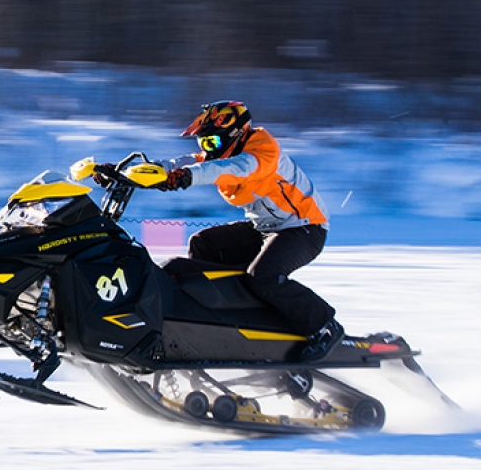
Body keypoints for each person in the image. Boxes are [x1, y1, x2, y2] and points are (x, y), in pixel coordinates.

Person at [102, 101, 343, 363]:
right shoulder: (222, 155)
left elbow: (233, 169)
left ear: (236, 134)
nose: (207, 151)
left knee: (263, 276)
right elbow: (179, 163)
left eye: (211, 142)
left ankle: (323, 326)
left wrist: (186, 177)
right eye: (203, 144)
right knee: (204, 245)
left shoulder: (262, 150)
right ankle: (212, 320)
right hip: (265, 228)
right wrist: (120, 172)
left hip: (304, 228)